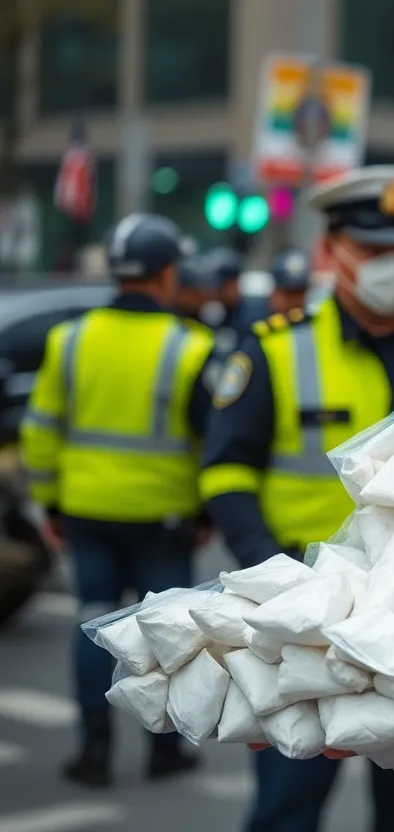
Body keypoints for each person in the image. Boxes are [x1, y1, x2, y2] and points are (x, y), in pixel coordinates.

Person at [199, 165, 394, 832]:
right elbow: (225, 472)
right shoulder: (276, 351)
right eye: (373, 250)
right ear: (332, 250)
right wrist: (272, 582)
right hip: (304, 628)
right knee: (286, 807)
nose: (393, 266)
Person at [20, 212, 216, 787]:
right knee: (168, 639)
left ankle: (93, 753)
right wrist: (206, 513)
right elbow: (214, 443)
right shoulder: (191, 346)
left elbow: (39, 429)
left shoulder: (70, 339)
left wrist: (50, 504)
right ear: (167, 274)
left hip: (85, 510)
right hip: (164, 515)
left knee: (94, 625)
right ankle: (164, 752)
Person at [268, 247, 312, 315]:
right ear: (275, 294)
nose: (294, 302)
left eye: (299, 292)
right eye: (289, 293)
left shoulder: (315, 323)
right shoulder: (258, 323)